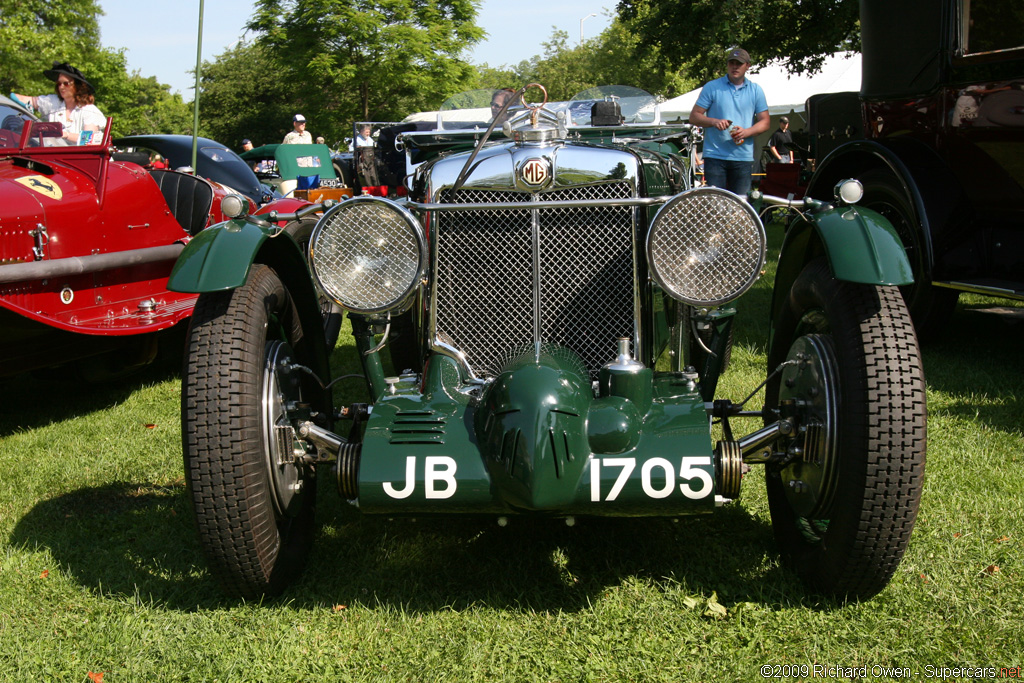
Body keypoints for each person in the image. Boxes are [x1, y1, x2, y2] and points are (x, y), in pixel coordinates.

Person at [688, 48, 770, 196]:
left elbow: (765, 122)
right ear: (727, 65)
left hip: (743, 157)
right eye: (731, 63)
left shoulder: (756, 90)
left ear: (747, 66)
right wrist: (714, 121)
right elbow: (694, 117)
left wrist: (746, 132)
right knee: (715, 205)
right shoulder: (712, 87)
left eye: (739, 64)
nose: (735, 67)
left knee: (740, 206)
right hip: (714, 156)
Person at [14, 62, 105, 146]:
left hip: (84, 159)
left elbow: (87, 141)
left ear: (77, 86)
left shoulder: (89, 110)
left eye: (66, 84)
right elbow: (20, 99)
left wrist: (65, 135)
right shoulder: (53, 102)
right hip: (57, 157)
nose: (61, 87)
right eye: (59, 84)